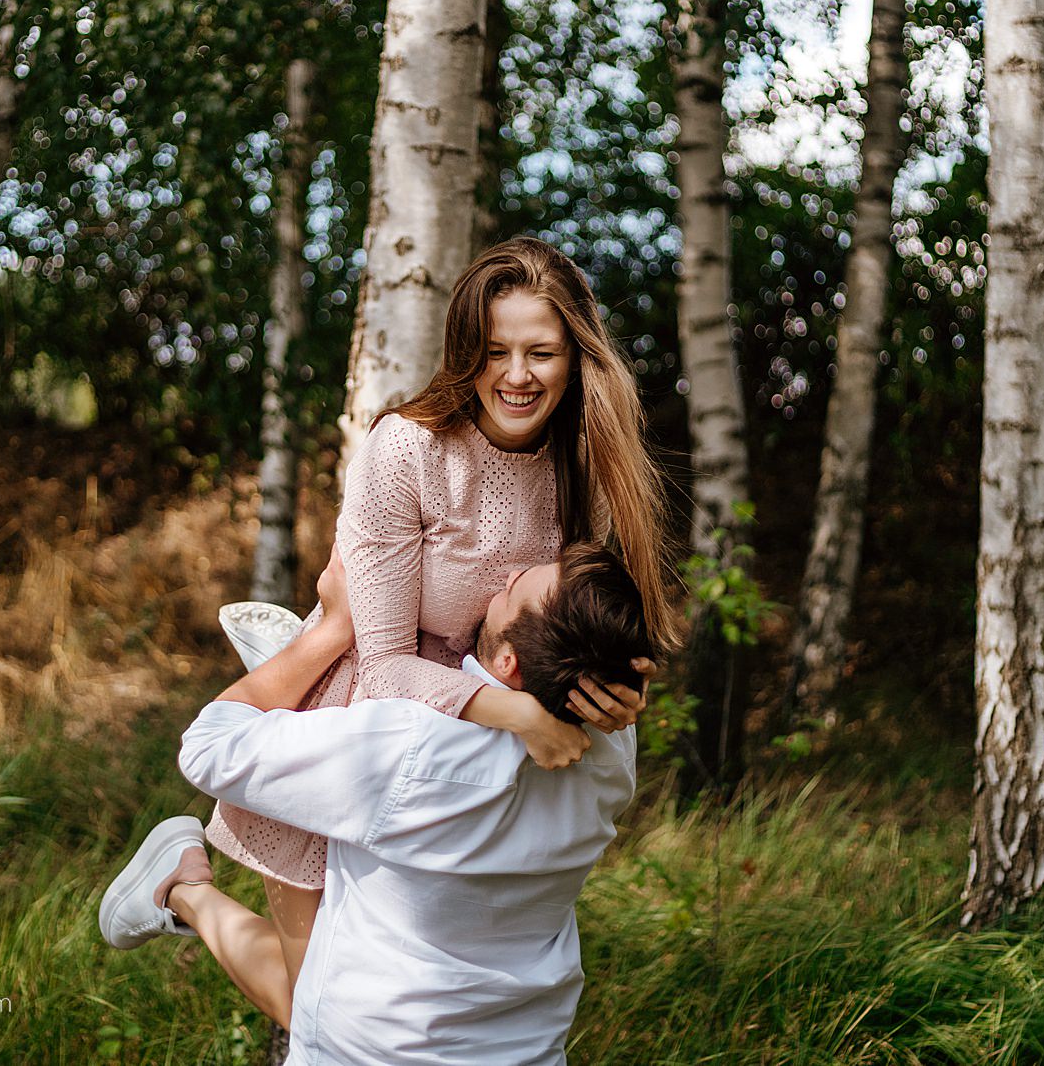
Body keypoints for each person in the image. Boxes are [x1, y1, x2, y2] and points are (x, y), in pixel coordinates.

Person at [205, 235, 682, 990]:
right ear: (467, 351)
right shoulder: (409, 451)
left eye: (543, 353)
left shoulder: (580, 462)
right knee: (309, 999)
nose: (518, 376)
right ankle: (181, 889)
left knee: (409, 995)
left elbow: (570, 622)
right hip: (363, 731)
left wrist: (615, 691)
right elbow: (387, 664)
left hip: (468, 766)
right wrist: (522, 716)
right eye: (495, 351)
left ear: (577, 356)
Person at [100, 540, 654, 1063]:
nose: (505, 575)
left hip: (363, 1047)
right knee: (311, 989)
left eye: (511, 589)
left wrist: (332, 633)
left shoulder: (415, 747)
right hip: (524, 1046)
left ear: (508, 663)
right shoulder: (609, 757)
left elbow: (207, 747)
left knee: (308, 999)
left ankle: (292, 704)